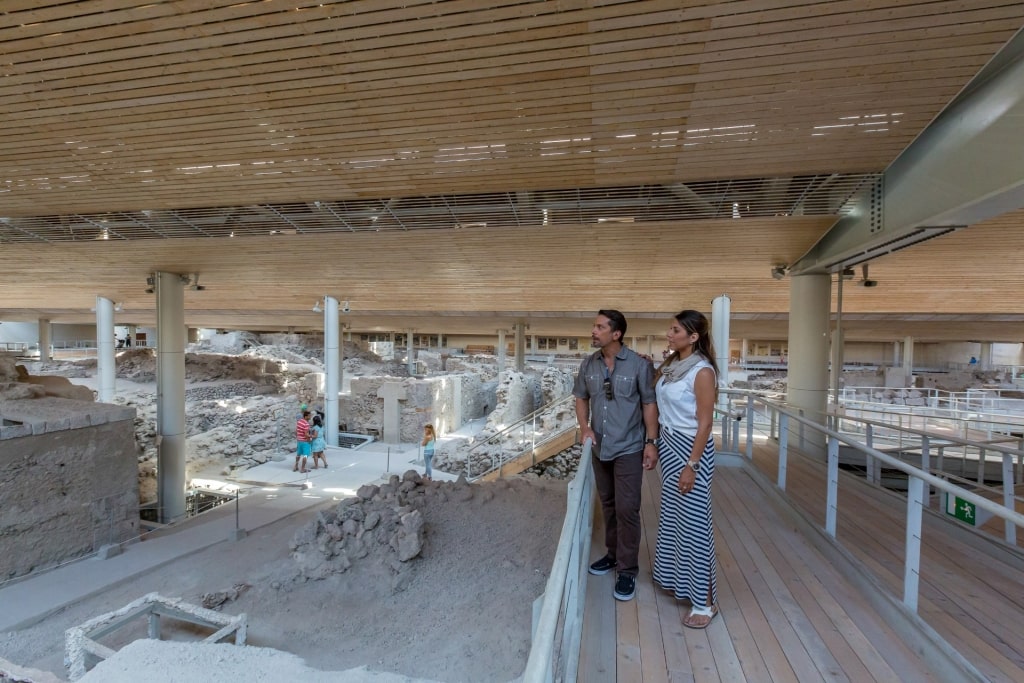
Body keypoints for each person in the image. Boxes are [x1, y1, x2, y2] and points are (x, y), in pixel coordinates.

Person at [574, 309, 659, 602]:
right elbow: (580, 397)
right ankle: (612, 555)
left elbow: (649, 404)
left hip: (629, 446)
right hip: (600, 447)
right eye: (594, 326)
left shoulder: (638, 365)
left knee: (627, 508)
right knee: (608, 505)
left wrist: (651, 442)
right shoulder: (589, 364)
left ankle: (627, 569)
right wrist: (585, 427)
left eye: (599, 327)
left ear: (616, 333)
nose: (593, 331)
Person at [652, 309, 720, 629]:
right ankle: (682, 584)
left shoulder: (702, 372)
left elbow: (705, 423)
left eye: (676, 330)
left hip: (691, 450)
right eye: (671, 328)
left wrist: (691, 466)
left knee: (695, 524)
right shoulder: (673, 366)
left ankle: (705, 602)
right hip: (668, 444)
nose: (670, 333)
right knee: (674, 518)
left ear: (693, 337)